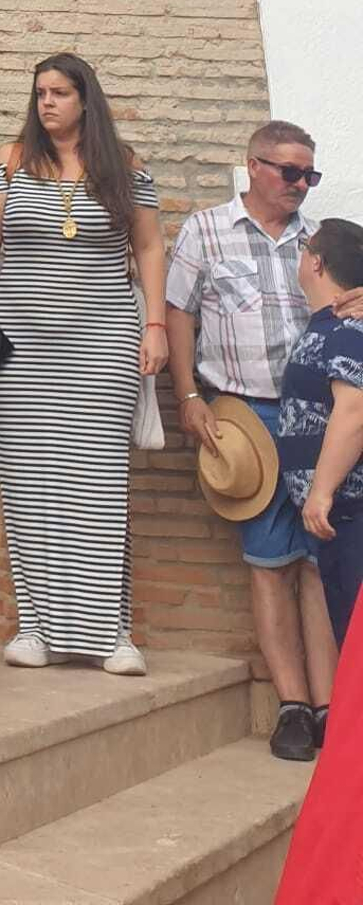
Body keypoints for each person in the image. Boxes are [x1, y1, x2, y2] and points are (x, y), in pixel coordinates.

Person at [0, 53, 166, 676]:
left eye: (59, 92)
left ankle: (113, 634)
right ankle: (36, 629)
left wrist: (155, 325)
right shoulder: (7, 162)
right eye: (40, 93)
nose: (46, 103)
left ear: (86, 99)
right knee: (30, 483)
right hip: (23, 346)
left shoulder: (125, 166)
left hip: (104, 341)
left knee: (98, 486)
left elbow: (151, 245)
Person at [165, 119, 339, 762]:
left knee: (321, 566)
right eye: (289, 171)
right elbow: (179, 312)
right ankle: (291, 706)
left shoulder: (319, 243)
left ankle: (331, 708)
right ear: (253, 166)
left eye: (309, 174)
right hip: (247, 421)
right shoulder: (205, 231)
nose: (300, 184)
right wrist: (187, 396)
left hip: (317, 420)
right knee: (269, 566)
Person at [277, 218, 363, 649]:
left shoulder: (349, 329)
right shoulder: (330, 327)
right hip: (341, 521)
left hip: (352, 516)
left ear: (316, 263)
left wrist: (322, 491)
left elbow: (355, 411)